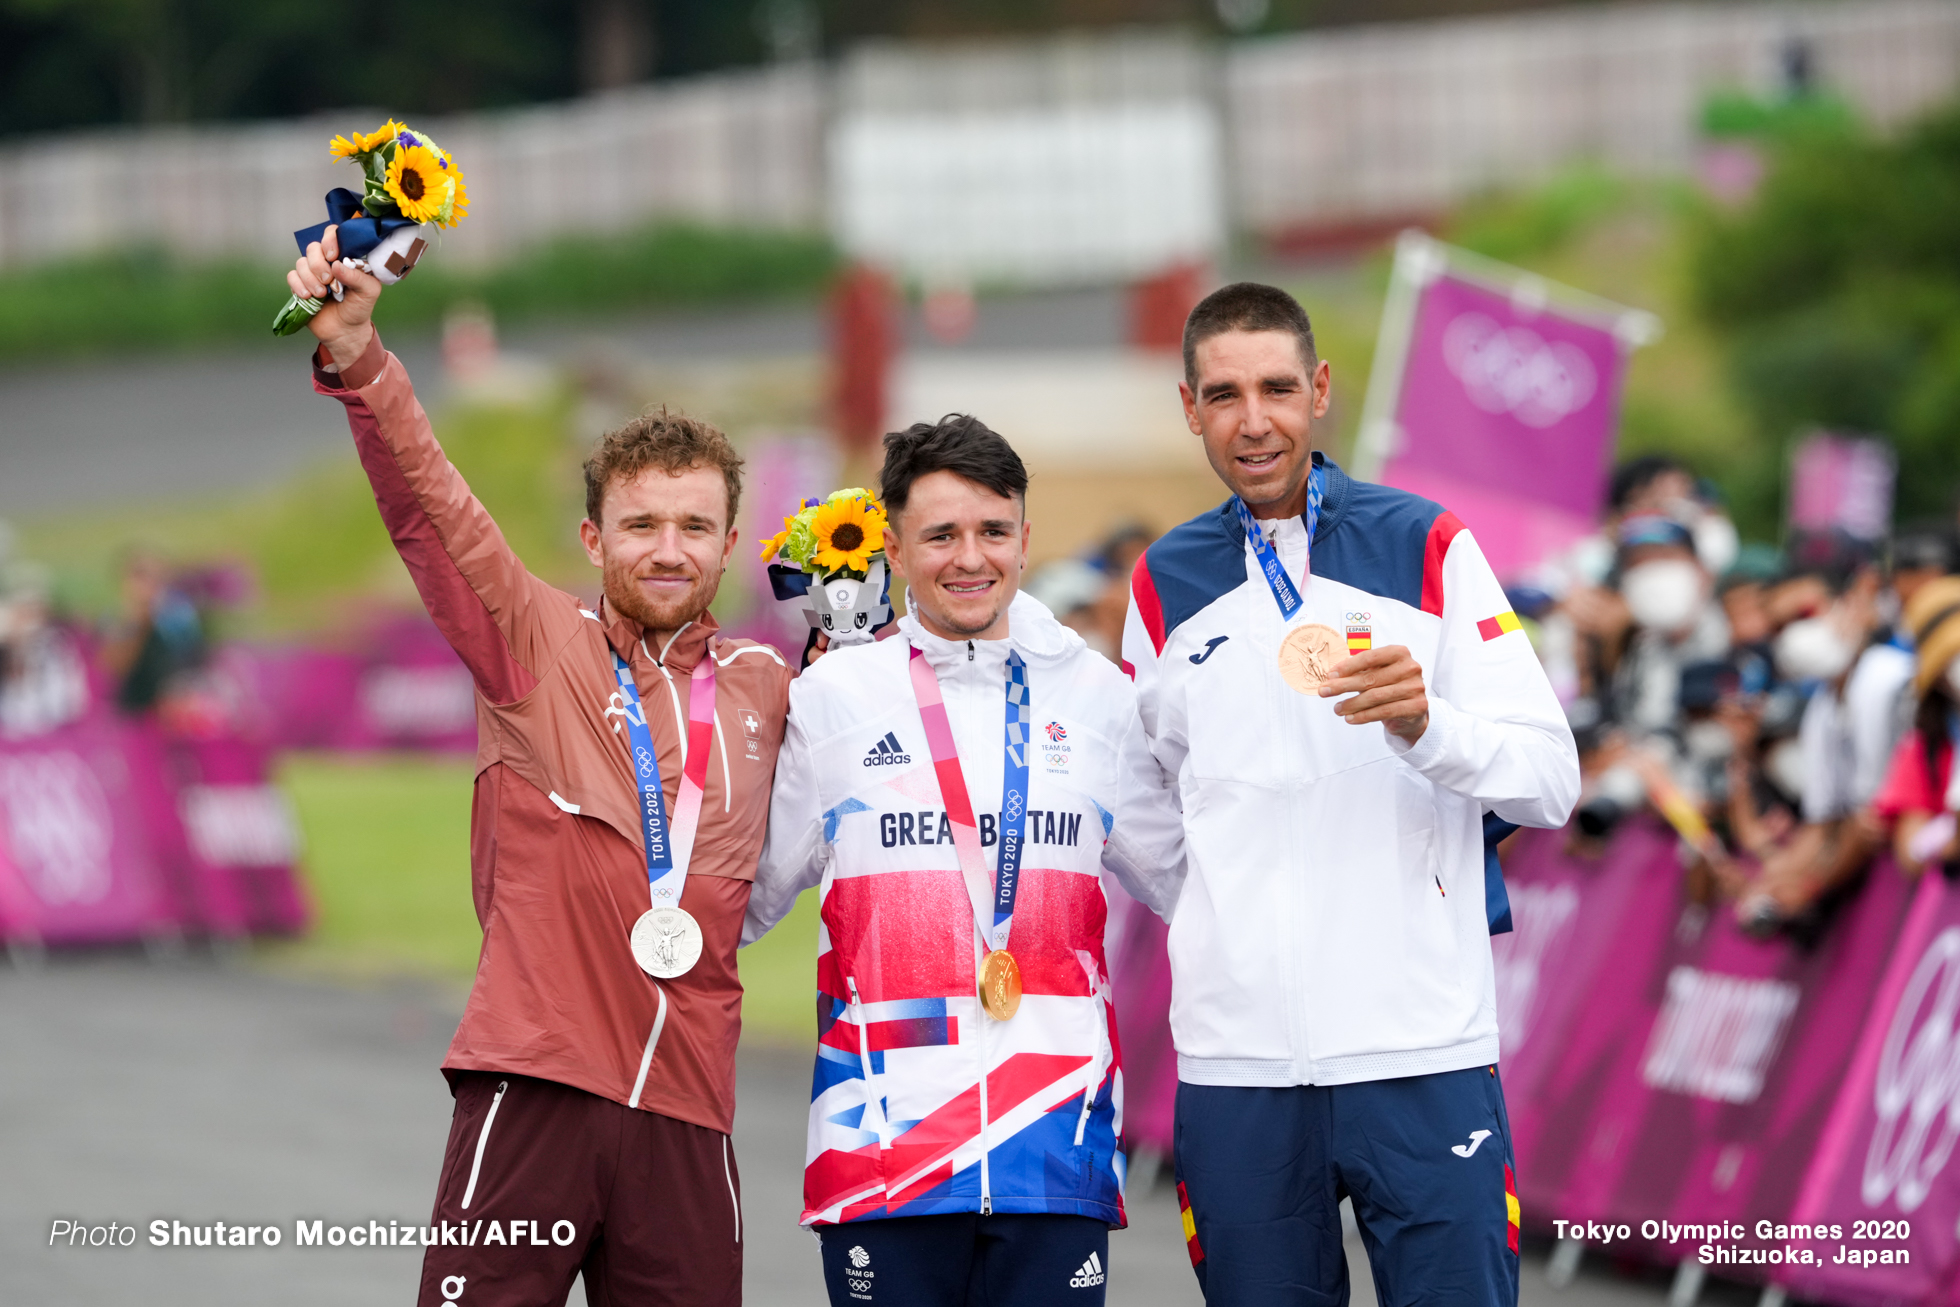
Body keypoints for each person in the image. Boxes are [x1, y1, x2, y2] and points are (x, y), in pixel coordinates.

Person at [287, 226, 791, 1306]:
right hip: (540, 1085)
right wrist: (358, 356)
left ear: (731, 541)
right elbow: (433, 510)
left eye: (695, 524)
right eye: (641, 522)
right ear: (593, 536)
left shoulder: (767, 685)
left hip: (691, 1111)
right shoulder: (533, 636)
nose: (668, 546)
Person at [1121, 282, 1579, 1306]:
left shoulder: (1427, 543)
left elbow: (1550, 779)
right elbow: (1142, 804)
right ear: (1190, 406)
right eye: (1224, 393)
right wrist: (1220, 914)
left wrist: (1427, 728)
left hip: (1419, 1049)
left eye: (1277, 387)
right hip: (1236, 1067)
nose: (1254, 419)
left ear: (1318, 389)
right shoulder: (1163, 581)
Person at [746, 415, 1185, 1306]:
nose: (969, 557)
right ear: (897, 548)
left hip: (1054, 1142)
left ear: (1026, 538)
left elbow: (1188, 882)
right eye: (940, 534)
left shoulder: (1096, 695)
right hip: (882, 1152)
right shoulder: (835, 696)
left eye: (992, 531)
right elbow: (747, 897)